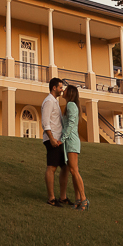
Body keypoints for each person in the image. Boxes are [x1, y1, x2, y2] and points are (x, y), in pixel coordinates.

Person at [41, 77, 74, 207]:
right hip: (52, 139)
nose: (62, 90)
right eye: (60, 87)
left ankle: (63, 197)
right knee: (52, 167)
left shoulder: (54, 101)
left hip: (59, 140)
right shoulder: (48, 101)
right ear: (54, 88)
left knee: (65, 167)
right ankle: (51, 198)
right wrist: (52, 139)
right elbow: (45, 122)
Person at [61, 84, 89, 210]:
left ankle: (84, 199)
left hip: (71, 140)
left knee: (74, 171)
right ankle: (78, 200)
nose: (63, 90)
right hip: (71, 140)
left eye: (65, 89)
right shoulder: (71, 105)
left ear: (70, 93)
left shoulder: (71, 105)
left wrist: (62, 139)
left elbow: (71, 124)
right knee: (73, 171)